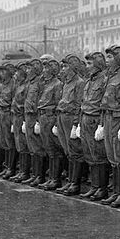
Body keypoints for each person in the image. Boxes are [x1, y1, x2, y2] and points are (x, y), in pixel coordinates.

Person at [100, 45, 120, 208]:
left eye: (110, 57)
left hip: (118, 119)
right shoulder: (109, 77)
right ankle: (116, 193)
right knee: (112, 157)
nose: (107, 60)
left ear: (119, 59)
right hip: (107, 117)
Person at [79, 52, 109, 201]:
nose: (87, 66)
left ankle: (101, 188)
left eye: (90, 63)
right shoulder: (89, 81)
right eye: (87, 63)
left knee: (99, 156)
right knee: (90, 155)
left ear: (98, 64)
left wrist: (101, 125)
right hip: (86, 118)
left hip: (95, 120)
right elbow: (83, 103)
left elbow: (104, 105)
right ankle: (94, 187)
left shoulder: (104, 80)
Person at [55, 54, 85, 196]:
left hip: (70, 117)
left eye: (65, 66)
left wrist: (75, 125)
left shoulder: (79, 83)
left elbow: (79, 105)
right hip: (62, 116)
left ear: (73, 67)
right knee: (67, 151)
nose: (63, 69)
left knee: (75, 152)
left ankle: (75, 183)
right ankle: (70, 181)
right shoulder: (66, 83)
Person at [37, 56, 64, 190]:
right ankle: (51, 178)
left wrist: (56, 123)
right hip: (43, 117)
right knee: (48, 149)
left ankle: (56, 179)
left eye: (47, 68)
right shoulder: (45, 84)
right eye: (44, 67)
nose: (44, 70)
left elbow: (58, 103)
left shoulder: (57, 84)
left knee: (54, 150)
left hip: (51, 117)